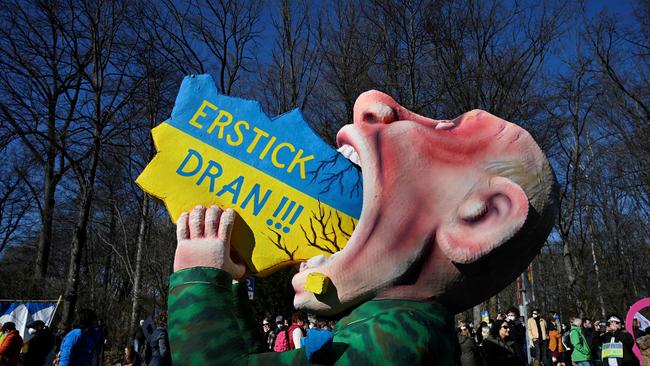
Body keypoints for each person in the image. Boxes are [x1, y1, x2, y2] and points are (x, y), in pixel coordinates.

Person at [167, 90, 558, 364]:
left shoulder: (397, 338)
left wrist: (198, 281)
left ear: (480, 219)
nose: (372, 104)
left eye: (445, 128)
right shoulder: (401, 325)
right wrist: (232, 293)